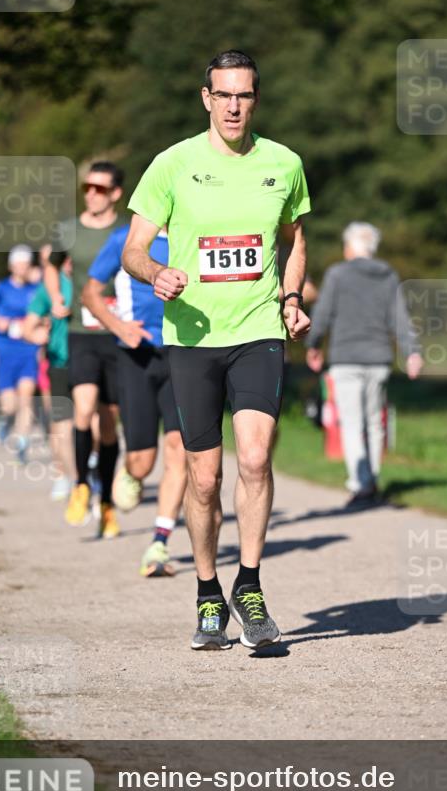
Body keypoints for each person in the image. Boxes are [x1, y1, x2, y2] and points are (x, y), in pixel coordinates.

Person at [122, 49, 311, 651]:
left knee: (254, 459)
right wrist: (155, 273)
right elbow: (132, 250)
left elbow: (296, 238)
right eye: (223, 95)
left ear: (257, 99)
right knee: (204, 479)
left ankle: (249, 587)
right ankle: (208, 593)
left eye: (245, 95)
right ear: (206, 98)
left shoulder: (284, 164)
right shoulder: (172, 164)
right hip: (192, 337)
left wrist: (290, 297)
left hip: (258, 330)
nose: (234, 106)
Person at [81, 225, 187, 577]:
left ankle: (160, 541)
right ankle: (130, 473)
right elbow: (91, 293)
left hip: (183, 354)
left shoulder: (196, 230)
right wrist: (119, 327)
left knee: (179, 448)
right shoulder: (124, 239)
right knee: (142, 463)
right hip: (136, 354)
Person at [306, 221, 423, 505]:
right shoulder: (388, 275)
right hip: (378, 359)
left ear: (349, 248)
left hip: (345, 359)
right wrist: (412, 351)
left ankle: (362, 483)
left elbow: (322, 314)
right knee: (374, 422)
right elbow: (400, 317)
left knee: (352, 422)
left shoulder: (337, 274)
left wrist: (313, 345)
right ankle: (370, 479)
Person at [45, 162, 127, 539]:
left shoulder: (125, 232)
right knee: (82, 408)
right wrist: (55, 298)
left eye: (99, 188)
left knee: (109, 424)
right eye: (87, 187)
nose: (91, 193)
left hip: (115, 334)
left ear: (115, 194)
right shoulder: (68, 230)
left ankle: (106, 502)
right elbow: (50, 266)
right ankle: (81, 485)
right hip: (80, 332)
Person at [22, 251, 76, 501]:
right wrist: (37, 336)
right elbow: (27, 327)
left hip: (91, 361)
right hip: (59, 362)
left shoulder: (91, 280)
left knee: (93, 421)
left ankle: (89, 471)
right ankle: (63, 474)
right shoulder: (48, 289)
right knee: (61, 424)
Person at [0, 245, 40, 464]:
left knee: (26, 399)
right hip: (5, 350)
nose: (23, 268)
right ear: (12, 266)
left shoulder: (35, 289)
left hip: (28, 350)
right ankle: (5, 419)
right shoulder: (1, 288)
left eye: (27, 264)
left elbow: (42, 312)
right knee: (9, 404)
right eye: (19, 264)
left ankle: (22, 442)